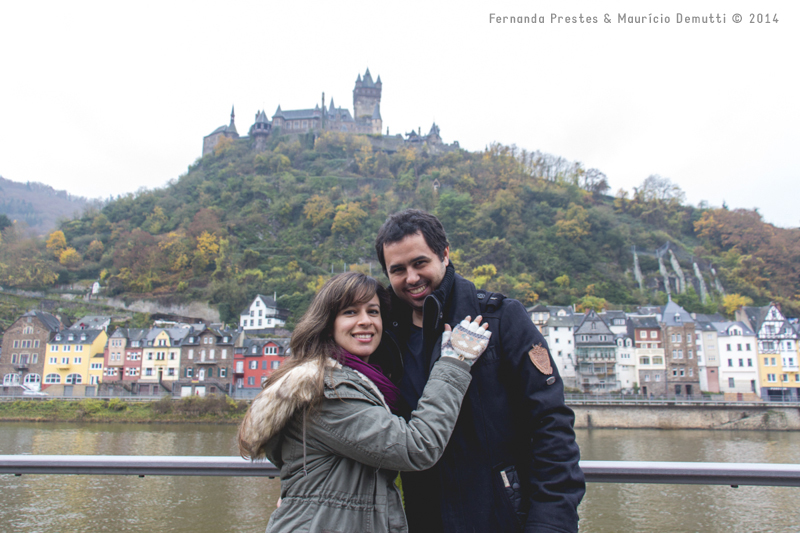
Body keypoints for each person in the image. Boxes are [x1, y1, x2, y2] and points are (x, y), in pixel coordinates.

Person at [373, 209, 585, 533]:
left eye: (420, 263)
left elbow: (551, 425)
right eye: (398, 270)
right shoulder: (382, 337)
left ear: (445, 254)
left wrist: (551, 523)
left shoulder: (501, 320)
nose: (411, 278)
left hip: (503, 521)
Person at [238, 271, 491, 533]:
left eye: (373, 311)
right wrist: (454, 362)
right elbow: (417, 447)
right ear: (327, 323)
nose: (365, 321)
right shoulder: (328, 392)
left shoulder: (365, 381)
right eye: (350, 312)